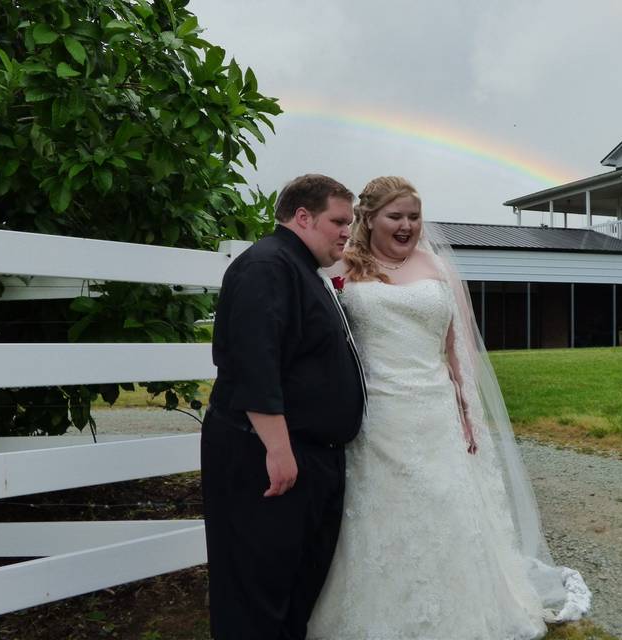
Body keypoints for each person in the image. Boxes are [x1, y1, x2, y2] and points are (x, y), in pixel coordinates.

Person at [307, 176, 591, 639]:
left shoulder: (436, 266)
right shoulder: (345, 268)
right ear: (370, 218)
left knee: (445, 507)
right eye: (395, 217)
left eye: (414, 217)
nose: (406, 226)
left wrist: (467, 410)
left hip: (433, 409)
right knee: (379, 513)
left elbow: (459, 346)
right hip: (377, 414)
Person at [201, 174, 367, 640]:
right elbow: (256, 363)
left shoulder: (300, 269)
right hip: (267, 456)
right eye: (338, 221)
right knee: (256, 594)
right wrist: (278, 449)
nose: (345, 232)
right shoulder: (267, 266)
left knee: (294, 590)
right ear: (302, 217)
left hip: (309, 456)